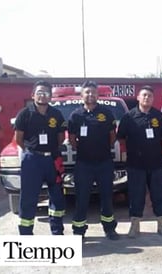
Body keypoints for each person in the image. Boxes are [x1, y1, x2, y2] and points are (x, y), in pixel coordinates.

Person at [117, 85, 162, 238]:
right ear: (138, 98)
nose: (147, 98)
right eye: (144, 95)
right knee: (136, 196)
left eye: (150, 96)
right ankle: (135, 226)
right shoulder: (129, 117)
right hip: (136, 165)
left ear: (153, 99)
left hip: (156, 164)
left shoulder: (158, 116)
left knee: (158, 195)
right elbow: (121, 138)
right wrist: (128, 153)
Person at [68, 81, 119, 240]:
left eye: (93, 92)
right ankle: (79, 231)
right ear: (82, 95)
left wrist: (101, 149)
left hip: (104, 162)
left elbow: (112, 136)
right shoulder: (75, 115)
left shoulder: (106, 113)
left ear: (98, 95)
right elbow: (72, 139)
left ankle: (109, 228)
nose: (90, 95)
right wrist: (85, 151)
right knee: (82, 197)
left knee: (106, 197)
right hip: (84, 164)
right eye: (87, 92)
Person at [14, 80, 66, 235]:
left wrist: (50, 151)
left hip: (52, 160)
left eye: (46, 93)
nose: (43, 95)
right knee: (29, 198)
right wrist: (32, 152)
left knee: (57, 196)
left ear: (50, 96)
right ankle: (26, 234)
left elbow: (61, 137)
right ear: (33, 95)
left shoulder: (56, 114)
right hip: (32, 161)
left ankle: (57, 232)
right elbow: (18, 139)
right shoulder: (24, 114)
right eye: (40, 92)